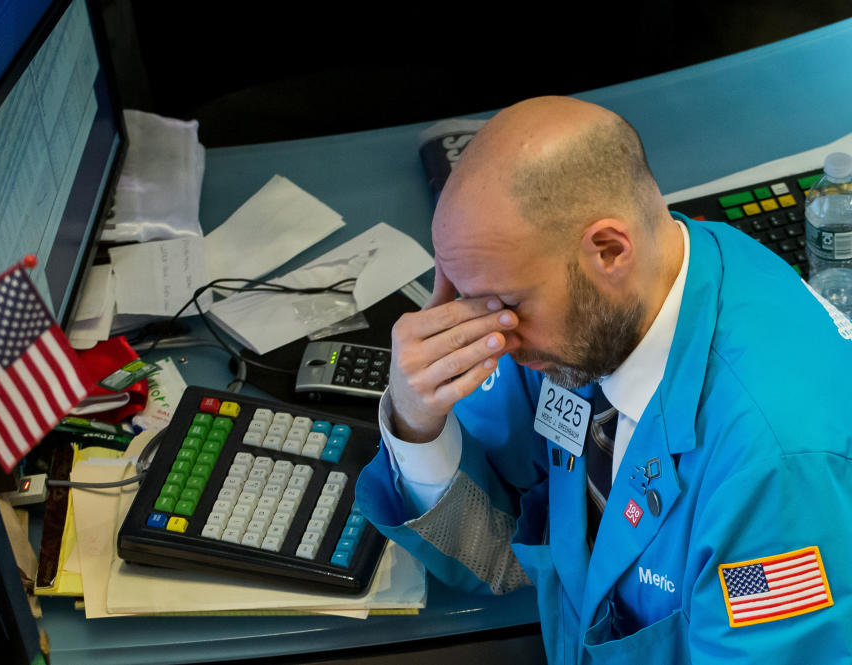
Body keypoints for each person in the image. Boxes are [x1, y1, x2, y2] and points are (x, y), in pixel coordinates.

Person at [354, 96, 852, 664]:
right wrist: (418, 419)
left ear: (610, 249)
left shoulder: (773, 471)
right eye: (474, 300)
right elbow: (493, 550)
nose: (495, 335)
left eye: (509, 303)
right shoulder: (600, 316)